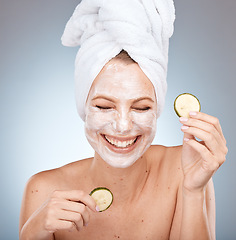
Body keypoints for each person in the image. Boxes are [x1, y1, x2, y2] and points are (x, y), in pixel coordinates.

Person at [19, 1, 227, 240]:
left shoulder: (186, 168)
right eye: (104, 106)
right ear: (83, 108)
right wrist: (32, 234)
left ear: (156, 110)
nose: (123, 126)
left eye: (141, 107)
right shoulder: (42, 190)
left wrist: (193, 191)